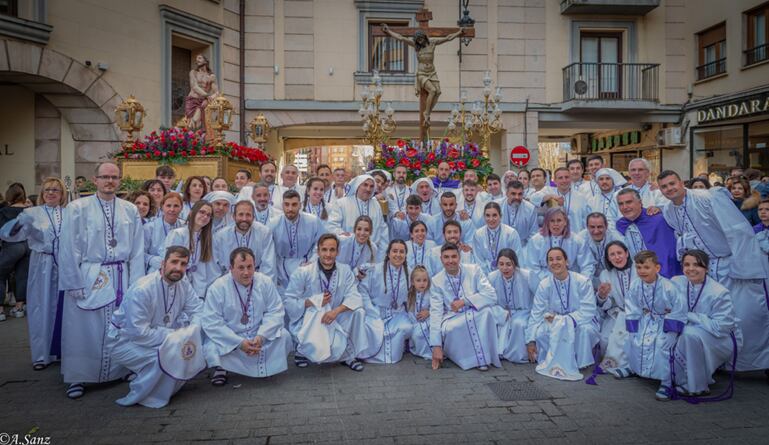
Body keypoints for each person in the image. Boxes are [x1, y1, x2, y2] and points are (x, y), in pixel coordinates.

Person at [658, 170, 769, 373]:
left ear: (681, 183)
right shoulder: (668, 210)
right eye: (664, 186)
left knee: (744, 314)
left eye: (672, 183)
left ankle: (754, 362)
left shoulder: (707, 197)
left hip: (730, 265)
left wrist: (743, 267)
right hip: (704, 270)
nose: (669, 189)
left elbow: (737, 229)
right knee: (709, 316)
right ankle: (718, 362)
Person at [58, 162, 145, 399]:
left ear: (120, 180)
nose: (109, 181)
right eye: (105, 177)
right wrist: (73, 281)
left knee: (120, 325)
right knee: (84, 328)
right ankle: (78, 376)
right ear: (94, 180)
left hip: (120, 275)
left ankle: (121, 368)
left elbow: (138, 249)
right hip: (89, 274)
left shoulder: (129, 209)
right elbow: (67, 247)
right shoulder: (77, 207)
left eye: (114, 177)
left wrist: (137, 284)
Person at [109, 246, 205, 408]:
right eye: (174, 262)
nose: (178, 268)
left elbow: (197, 309)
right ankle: (142, 394)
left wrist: (192, 330)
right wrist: (177, 336)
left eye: (183, 264)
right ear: (163, 263)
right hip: (124, 341)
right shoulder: (143, 289)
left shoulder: (183, 283)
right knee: (163, 357)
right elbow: (139, 333)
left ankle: (165, 389)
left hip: (159, 337)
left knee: (184, 350)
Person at [0, 178, 67, 368]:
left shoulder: (69, 213)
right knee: (41, 306)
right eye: (47, 190)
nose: (51, 193)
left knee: (63, 308)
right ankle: (41, 355)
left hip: (64, 265)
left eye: (55, 190)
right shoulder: (32, 212)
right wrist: (20, 223)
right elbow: (9, 234)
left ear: (62, 193)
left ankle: (62, 351)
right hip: (42, 263)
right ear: (42, 193)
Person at [202, 247, 290, 386]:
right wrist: (239, 343)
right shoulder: (217, 287)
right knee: (212, 344)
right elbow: (212, 322)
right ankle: (221, 368)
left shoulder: (265, 282)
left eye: (250, 267)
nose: (246, 272)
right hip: (231, 338)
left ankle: (266, 366)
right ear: (231, 268)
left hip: (257, 336)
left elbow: (275, 311)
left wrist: (262, 336)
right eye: (241, 268)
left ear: (255, 266)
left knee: (284, 335)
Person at [283, 234, 370, 371]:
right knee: (316, 346)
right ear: (318, 251)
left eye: (332, 250)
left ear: (338, 251)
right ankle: (302, 351)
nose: (328, 254)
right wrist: (313, 302)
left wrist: (335, 312)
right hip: (312, 318)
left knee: (359, 311)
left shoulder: (345, 270)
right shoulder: (303, 271)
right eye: (324, 250)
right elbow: (289, 300)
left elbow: (354, 295)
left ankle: (349, 356)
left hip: (337, 315)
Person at [667, 249, 741, 399]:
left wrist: (689, 316)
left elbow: (721, 327)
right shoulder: (676, 281)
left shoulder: (719, 292)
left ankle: (697, 386)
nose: (691, 269)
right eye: (687, 264)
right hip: (692, 331)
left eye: (697, 265)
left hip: (721, 338)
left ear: (706, 268)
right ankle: (675, 377)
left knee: (689, 334)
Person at [621, 250, 686, 401]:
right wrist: (633, 327)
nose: (642, 271)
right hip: (646, 319)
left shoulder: (669, 287)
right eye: (638, 267)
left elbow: (679, 309)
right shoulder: (636, 284)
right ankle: (634, 368)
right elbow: (632, 305)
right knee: (634, 341)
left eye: (646, 267)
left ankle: (667, 382)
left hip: (664, 322)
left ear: (657, 268)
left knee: (662, 346)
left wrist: (671, 332)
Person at [526, 247, 598, 381]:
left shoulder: (582, 281)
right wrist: (530, 340)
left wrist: (563, 320)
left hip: (581, 321)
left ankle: (581, 362)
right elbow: (536, 313)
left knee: (585, 330)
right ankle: (551, 360)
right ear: (547, 264)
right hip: (554, 320)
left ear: (567, 261)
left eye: (558, 258)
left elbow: (588, 310)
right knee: (541, 332)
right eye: (551, 260)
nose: (555, 262)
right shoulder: (544, 284)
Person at [429, 243, 500, 371]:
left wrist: (465, 301)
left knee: (487, 312)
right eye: (446, 257)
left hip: (474, 311)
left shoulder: (474, 270)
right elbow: (435, 312)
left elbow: (492, 295)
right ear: (441, 259)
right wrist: (436, 345)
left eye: (453, 256)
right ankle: (468, 359)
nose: (450, 261)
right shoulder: (436, 280)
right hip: (452, 317)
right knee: (451, 328)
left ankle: (483, 358)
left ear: (459, 257)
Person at [358, 240, 413, 364]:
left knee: (406, 327)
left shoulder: (409, 272)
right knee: (370, 328)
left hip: (397, 313)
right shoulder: (374, 270)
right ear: (388, 253)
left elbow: (413, 295)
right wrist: (371, 309)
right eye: (394, 251)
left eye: (401, 252)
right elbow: (363, 290)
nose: (398, 255)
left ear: (405, 255)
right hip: (376, 311)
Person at [615, 188, 681, 278]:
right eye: (621, 204)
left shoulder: (658, 219)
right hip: (638, 276)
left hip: (665, 275)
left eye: (629, 202)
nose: (625, 207)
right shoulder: (620, 225)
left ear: (640, 202)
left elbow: (669, 252)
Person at [488, 249, 538, 364]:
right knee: (495, 321)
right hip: (502, 312)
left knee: (518, 324)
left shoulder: (527, 276)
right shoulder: (492, 277)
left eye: (508, 264)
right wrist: (499, 311)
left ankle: (518, 355)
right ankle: (498, 352)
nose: (504, 268)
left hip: (524, 311)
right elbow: (489, 298)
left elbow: (540, 296)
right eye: (501, 264)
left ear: (515, 264)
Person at [594, 241, 634, 377]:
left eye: (619, 253)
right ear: (608, 258)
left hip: (638, 314)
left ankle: (628, 367)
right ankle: (614, 364)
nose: (617, 257)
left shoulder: (638, 269)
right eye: (612, 254)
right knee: (605, 338)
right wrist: (602, 295)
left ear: (627, 253)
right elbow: (608, 303)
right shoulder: (605, 274)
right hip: (618, 313)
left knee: (629, 336)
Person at [163, 201, 218, 299]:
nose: (205, 216)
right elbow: (169, 263)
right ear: (191, 213)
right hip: (176, 283)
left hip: (198, 287)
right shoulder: (178, 234)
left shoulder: (208, 239)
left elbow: (208, 268)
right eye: (202, 212)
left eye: (208, 215)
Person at [523, 207, 595, 281]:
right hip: (544, 282)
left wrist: (580, 283)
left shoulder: (577, 241)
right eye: (552, 221)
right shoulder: (536, 241)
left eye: (559, 220)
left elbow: (587, 265)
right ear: (547, 222)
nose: (556, 224)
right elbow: (532, 268)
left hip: (571, 281)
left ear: (565, 222)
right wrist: (548, 282)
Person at [213, 200, 276, 282]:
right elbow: (215, 268)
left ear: (253, 217)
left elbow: (268, 265)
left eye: (248, 215)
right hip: (228, 281)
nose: (244, 219)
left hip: (256, 280)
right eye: (241, 214)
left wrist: (262, 285)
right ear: (234, 216)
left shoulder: (264, 233)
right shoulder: (220, 236)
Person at [327, 174, 388, 260]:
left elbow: (383, 231)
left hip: (371, 253)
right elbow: (332, 225)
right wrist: (344, 235)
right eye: (365, 185)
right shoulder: (342, 203)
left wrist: (380, 257)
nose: (368, 189)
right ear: (358, 186)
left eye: (371, 186)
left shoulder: (376, 204)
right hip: (347, 252)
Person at [273, 190, 324, 290]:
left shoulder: (313, 221)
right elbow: (269, 251)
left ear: (300, 205)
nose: (290, 209)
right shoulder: (273, 223)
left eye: (294, 204)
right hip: (281, 267)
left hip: (307, 263)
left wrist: (312, 261)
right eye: (287, 205)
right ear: (282, 205)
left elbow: (321, 243)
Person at [0, 183, 31, 320]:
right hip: (28, 246)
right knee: (22, 276)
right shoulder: (30, 211)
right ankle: (19, 308)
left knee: (0, 275)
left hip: (11, 246)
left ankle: (0, 310)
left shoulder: (4, 211)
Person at [530, 167, 591, 232]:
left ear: (570, 179)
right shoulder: (549, 190)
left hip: (576, 236)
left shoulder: (580, 197)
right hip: (554, 237)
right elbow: (533, 198)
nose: (564, 180)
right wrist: (551, 196)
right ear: (555, 181)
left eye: (566, 177)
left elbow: (586, 221)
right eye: (560, 178)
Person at [471, 202, 522, 275]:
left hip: (507, 272)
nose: (491, 219)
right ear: (484, 217)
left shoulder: (511, 233)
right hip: (485, 275)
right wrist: (487, 276)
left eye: (494, 215)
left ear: (500, 216)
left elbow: (517, 258)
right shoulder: (478, 234)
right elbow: (478, 259)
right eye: (487, 216)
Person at [143, 192, 184, 272]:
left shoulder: (185, 226)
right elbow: (140, 253)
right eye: (168, 206)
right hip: (155, 271)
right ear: (162, 207)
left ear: (181, 208)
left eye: (176, 206)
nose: (172, 209)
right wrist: (151, 259)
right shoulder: (149, 228)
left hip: (179, 270)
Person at [582, 212, 622, 288]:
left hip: (613, 281)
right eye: (592, 227)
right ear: (587, 227)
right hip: (589, 281)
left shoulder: (616, 238)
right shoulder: (580, 240)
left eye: (600, 227)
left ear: (606, 226)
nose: (596, 231)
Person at [500, 180, 538, 246]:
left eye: (520, 194)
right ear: (507, 193)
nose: (517, 197)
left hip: (523, 247)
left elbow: (533, 234)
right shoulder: (497, 205)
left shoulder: (530, 208)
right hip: (501, 246)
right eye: (513, 194)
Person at [407, 266, 433, 360]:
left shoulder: (431, 292)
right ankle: (419, 350)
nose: (422, 283)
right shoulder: (410, 294)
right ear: (413, 282)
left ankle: (430, 352)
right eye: (418, 280)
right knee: (416, 332)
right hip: (415, 321)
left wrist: (429, 312)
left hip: (429, 319)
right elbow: (409, 311)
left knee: (423, 331)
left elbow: (436, 306)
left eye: (425, 280)